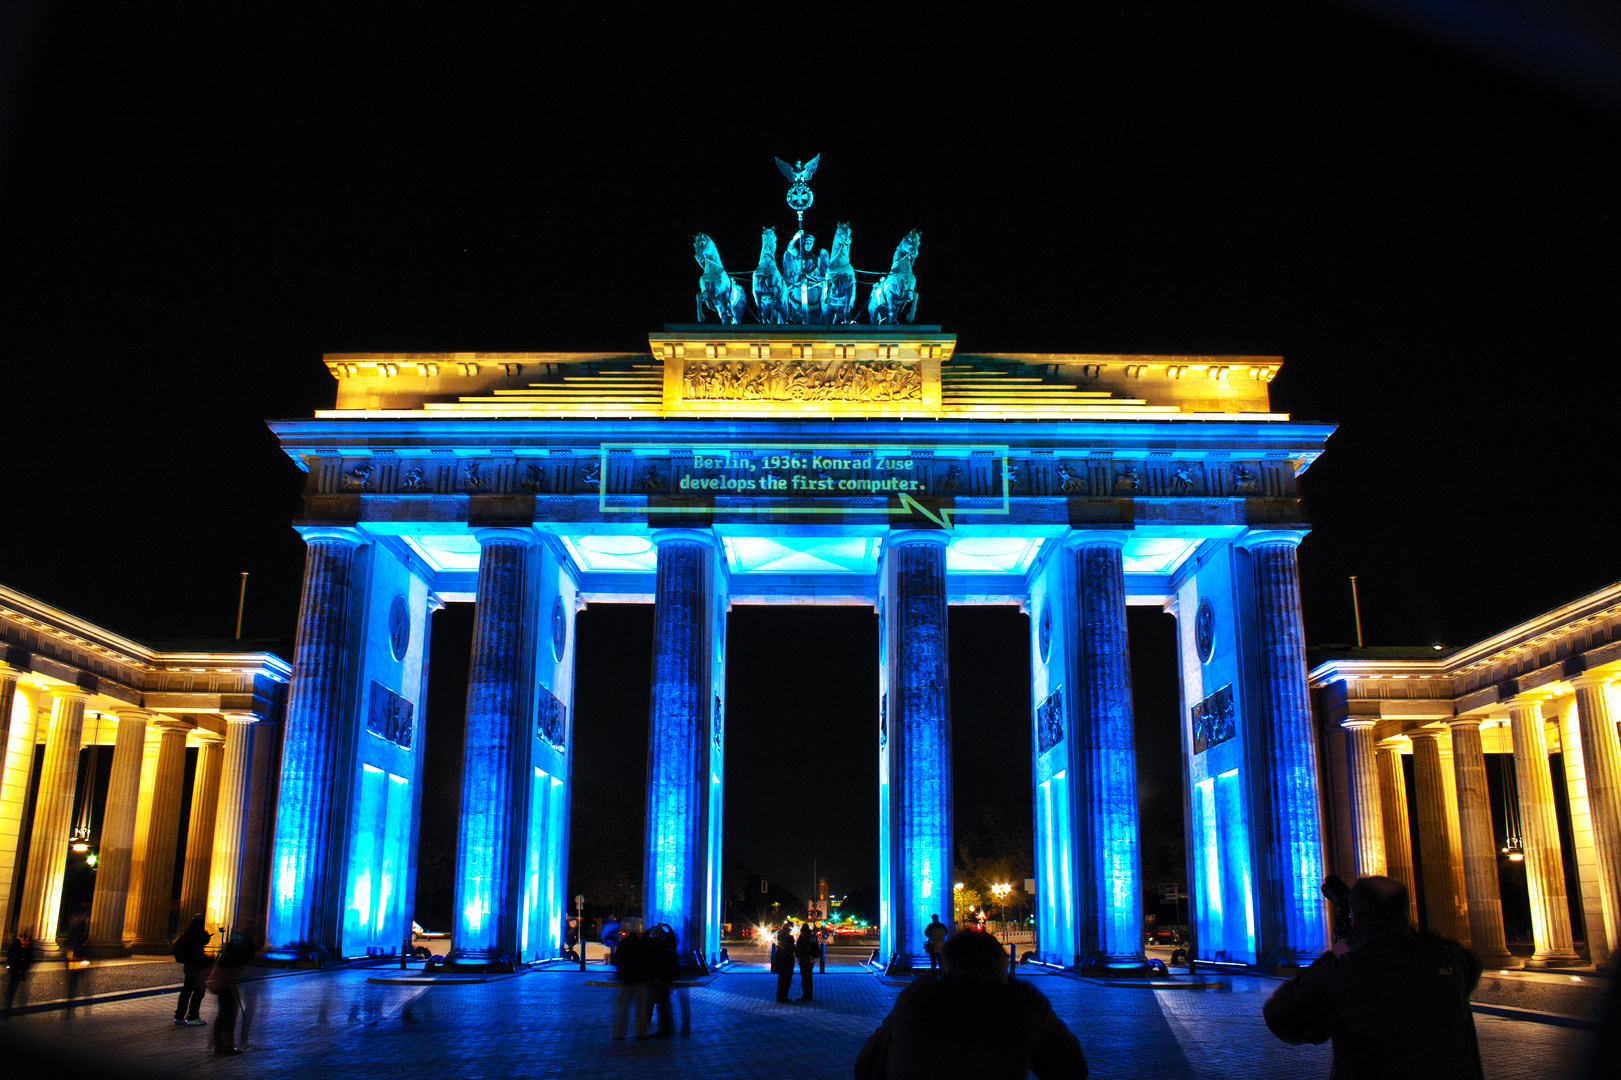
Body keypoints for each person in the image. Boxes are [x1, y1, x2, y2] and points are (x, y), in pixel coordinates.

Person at [1263, 875, 1483, 1079]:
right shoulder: (1450, 960)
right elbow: (1467, 959)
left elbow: (1279, 1016)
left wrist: (1337, 951)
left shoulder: (1342, 973)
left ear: (1354, 913)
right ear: (1405, 911)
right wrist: (1396, 927)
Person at [855, 928, 1087, 1079]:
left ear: (947, 964)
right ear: (1003, 964)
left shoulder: (917, 996)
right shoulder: (1020, 1001)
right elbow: (1072, 1069)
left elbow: (865, 1067)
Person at [208, 931, 256, 1055]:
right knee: (230, 1015)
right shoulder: (238, 951)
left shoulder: (229, 949)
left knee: (222, 1014)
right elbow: (235, 969)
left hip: (222, 984)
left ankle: (218, 1044)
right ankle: (228, 1046)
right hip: (228, 985)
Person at [642, 922, 680, 1039]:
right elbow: (672, 938)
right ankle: (664, 1026)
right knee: (663, 1003)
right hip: (664, 978)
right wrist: (665, 926)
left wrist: (653, 927)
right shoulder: (666, 945)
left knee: (649, 1000)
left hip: (652, 978)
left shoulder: (648, 946)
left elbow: (644, 935)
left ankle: (647, 1019)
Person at [172, 914, 211, 1026]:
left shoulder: (186, 935)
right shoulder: (199, 935)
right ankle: (193, 1016)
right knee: (198, 992)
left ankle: (179, 1016)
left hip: (188, 967)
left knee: (186, 991)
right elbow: (204, 941)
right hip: (198, 967)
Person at [611, 918, 647, 1040]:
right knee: (641, 1008)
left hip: (626, 979)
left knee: (623, 1008)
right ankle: (640, 1033)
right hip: (640, 979)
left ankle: (620, 1033)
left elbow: (618, 960)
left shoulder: (624, 944)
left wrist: (620, 974)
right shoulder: (642, 944)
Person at [4, 933, 35, 1018]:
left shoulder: (20, 942)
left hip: (16, 969)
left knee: (14, 989)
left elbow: (9, 954)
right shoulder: (26, 943)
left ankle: (10, 1007)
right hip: (18, 970)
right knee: (19, 989)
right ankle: (19, 1008)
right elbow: (29, 957)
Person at [795, 921, 820, 1002]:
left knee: (804, 979)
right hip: (812, 960)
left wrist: (797, 954)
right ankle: (810, 995)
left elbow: (798, 951)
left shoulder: (801, 938)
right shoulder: (813, 937)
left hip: (803, 960)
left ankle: (805, 995)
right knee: (809, 978)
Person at [773, 923, 796, 1003]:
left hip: (780, 958)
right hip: (788, 959)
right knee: (787, 979)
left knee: (781, 979)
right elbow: (793, 949)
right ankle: (784, 996)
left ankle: (779, 996)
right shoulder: (790, 938)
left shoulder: (779, 936)